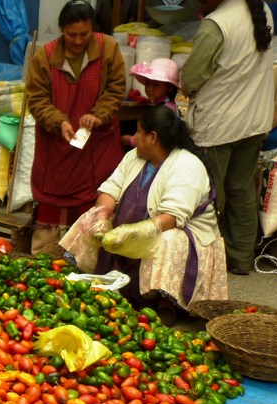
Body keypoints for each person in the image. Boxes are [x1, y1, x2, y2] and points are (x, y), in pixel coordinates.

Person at [61, 104, 227, 318]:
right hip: (135, 231)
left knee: (167, 239)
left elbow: (173, 217)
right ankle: (79, 276)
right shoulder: (134, 157)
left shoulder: (187, 166)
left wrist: (136, 232)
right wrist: (103, 215)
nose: (135, 137)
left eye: (139, 132)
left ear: (153, 137)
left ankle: (164, 302)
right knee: (92, 217)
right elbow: (110, 189)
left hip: (179, 234)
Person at [176, 0, 274, 276]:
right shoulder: (262, 10)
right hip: (254, 119)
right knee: (241, 189)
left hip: (218, 124)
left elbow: (192, 77)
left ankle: (207, 262)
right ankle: (240, 259)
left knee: (210, 194)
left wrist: (183, 83)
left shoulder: (216, 24)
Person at [26, 0, 126, 253]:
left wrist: (99, 115)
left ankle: (89, 257)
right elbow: (36, 100)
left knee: (97, 201)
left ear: (93, 28)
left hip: (97, 146)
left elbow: (116, 89)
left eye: (84, 34)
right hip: (56, 146)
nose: (79, 40)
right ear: (62, 30)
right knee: (51, 204)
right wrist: (58, 121)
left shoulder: (109, 48)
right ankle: (45, 255)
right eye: (72, 35)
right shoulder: (44, 57)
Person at [122, 57, 180, 148]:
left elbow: (154, 140)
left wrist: (131, 141)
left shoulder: (165, 111)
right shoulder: (167, 105)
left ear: (169, 87)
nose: (149, 89)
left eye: (155, 85)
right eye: (147, 84)